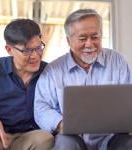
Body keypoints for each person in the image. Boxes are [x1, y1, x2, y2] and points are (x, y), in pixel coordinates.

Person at [34, 9, 132, 150]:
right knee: (65, 145)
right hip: (71, 136)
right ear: (69, 40)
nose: (90, 44)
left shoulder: (117, 61)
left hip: (111, 136)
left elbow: (128, 98)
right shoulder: (53, 70)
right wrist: (62, 124)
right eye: (82, 39)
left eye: (95, 37)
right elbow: (41, 107)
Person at [0, 19, 54, 150]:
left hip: (28, 138)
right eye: (27, 51)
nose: (35, 56)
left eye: (38, 48)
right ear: (9, 49)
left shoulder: (50, 72)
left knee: (45, 139)